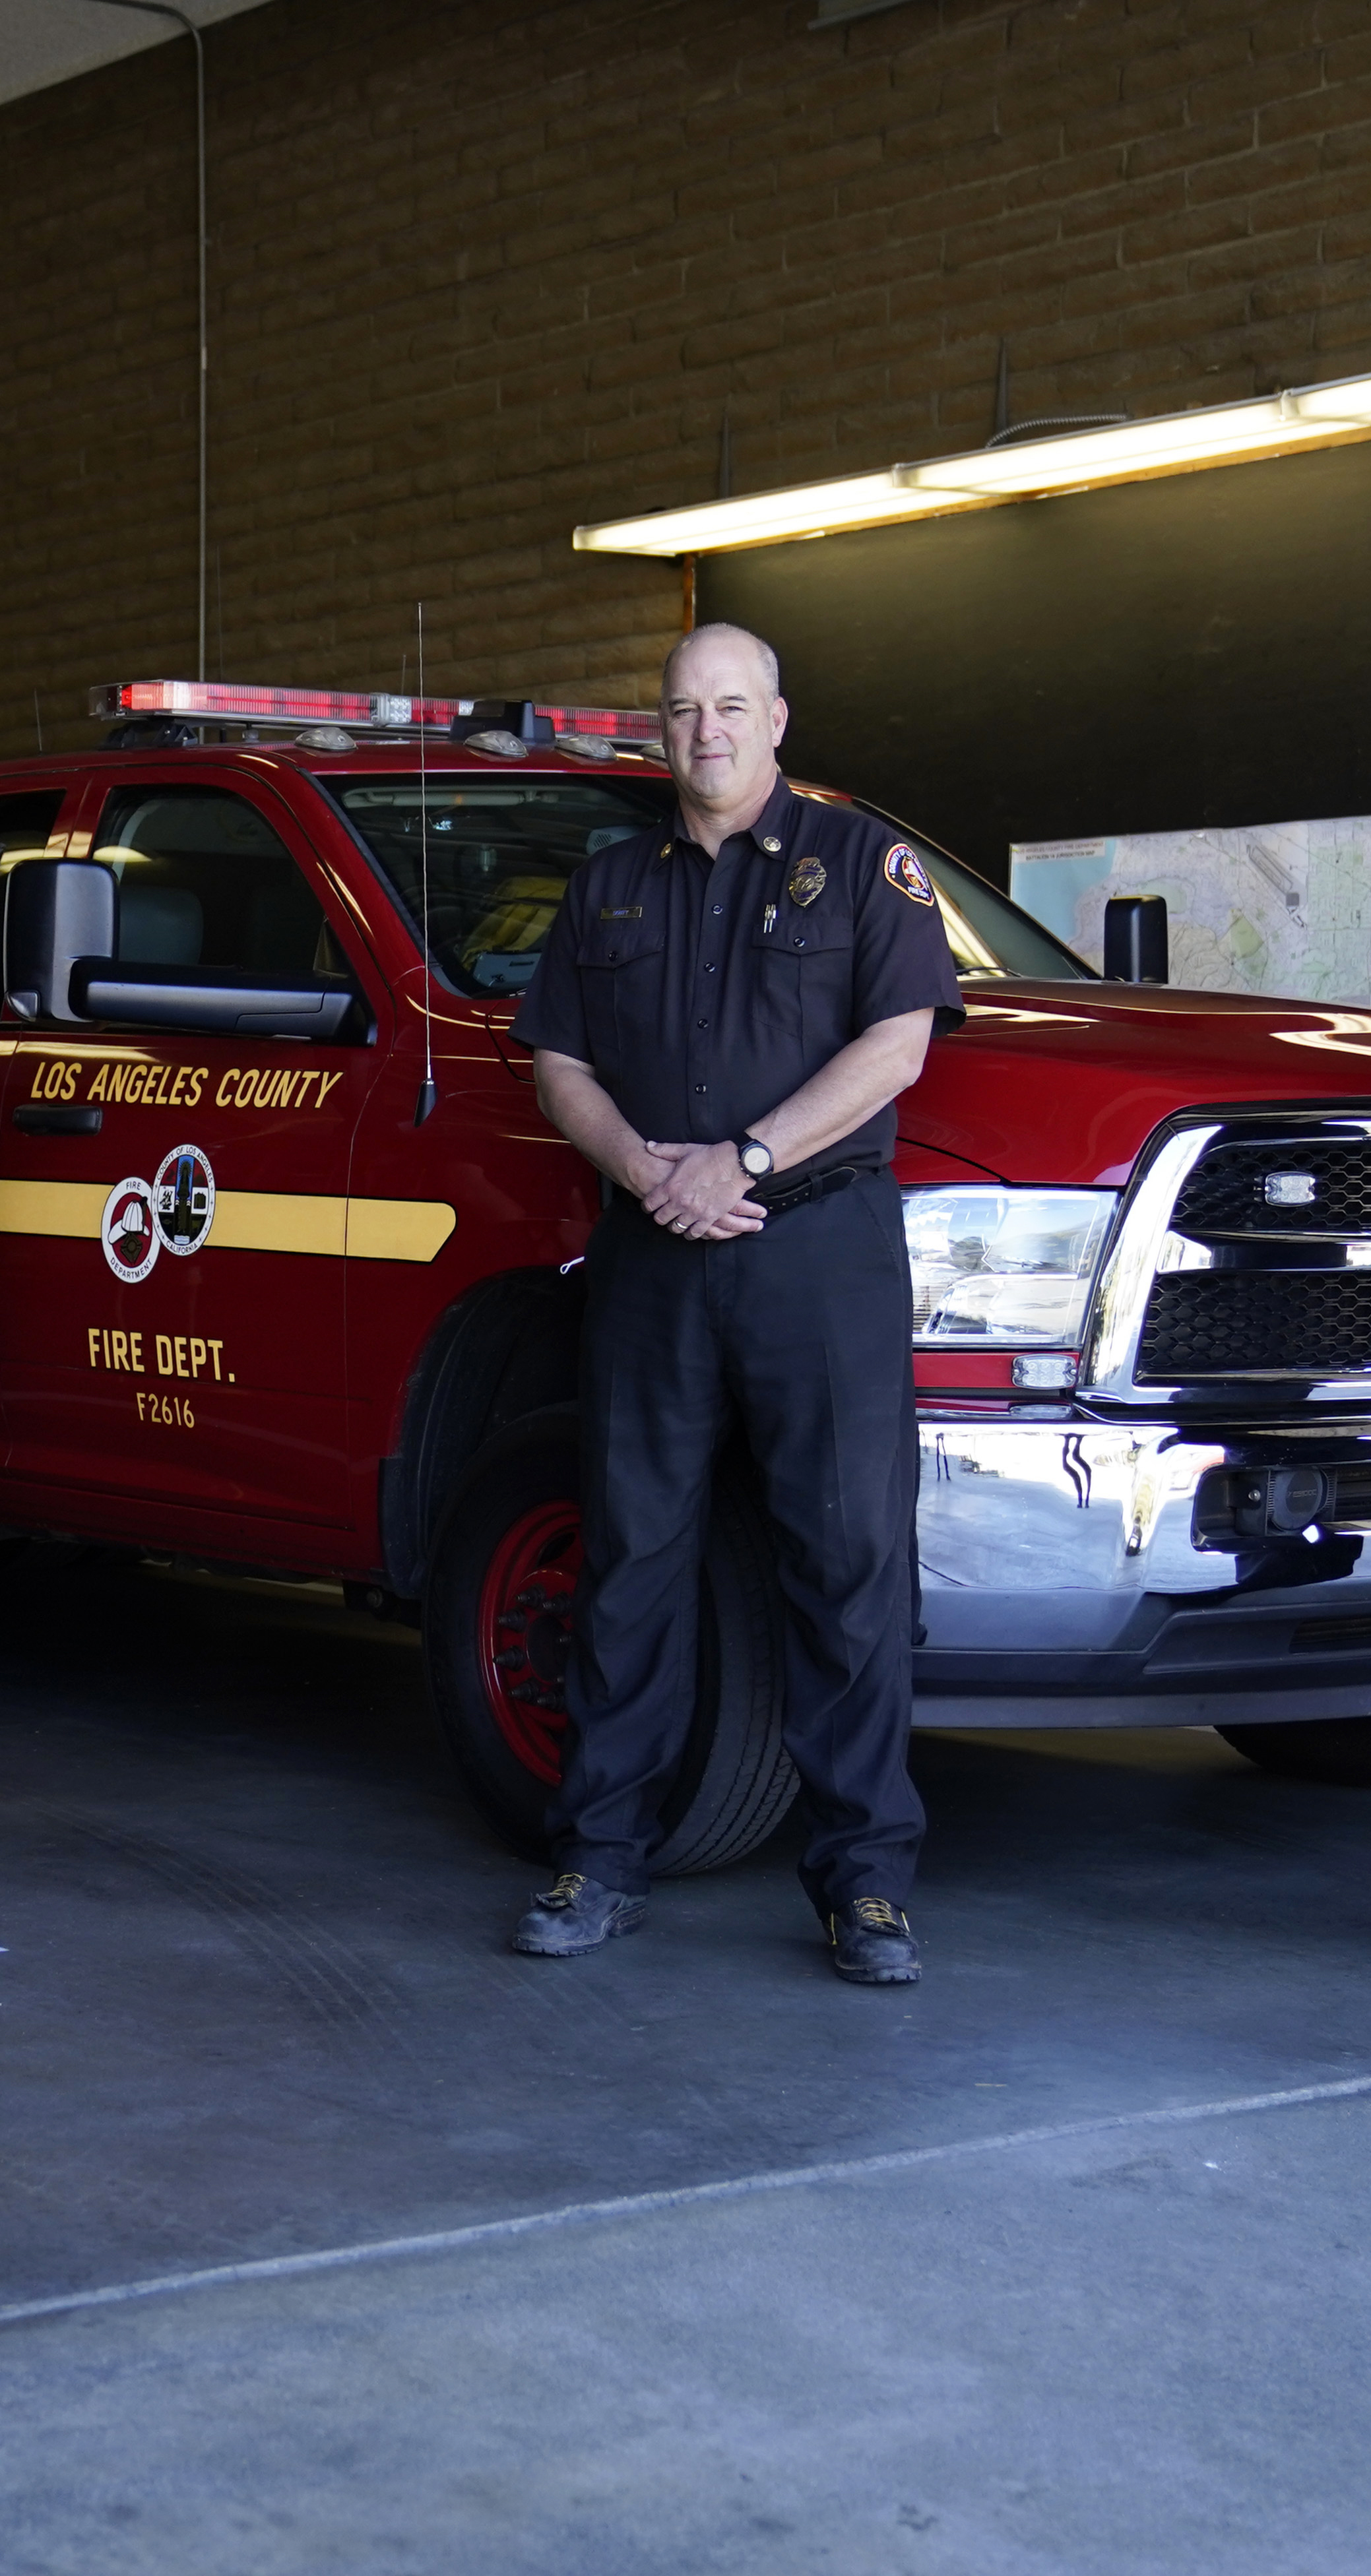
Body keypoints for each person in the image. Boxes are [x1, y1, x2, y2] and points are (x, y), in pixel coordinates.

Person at [506, 623, 962, 1980]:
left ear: (777, 719)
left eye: (730, 707)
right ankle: (596, 1858)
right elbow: (558, 1065)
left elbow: (900, 1042)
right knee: (633, 1556)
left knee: (848, 1564)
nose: (704, 730)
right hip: (653, 1250)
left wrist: (746, 1158)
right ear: (661, 730)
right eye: (681, 710)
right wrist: (647, 1167)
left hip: (812, 1251)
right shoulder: (607, 886)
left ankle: (865, 1886)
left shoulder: (859, 862)